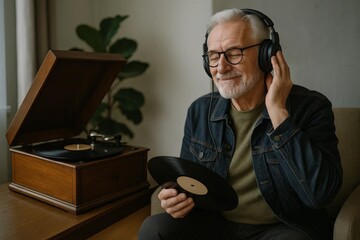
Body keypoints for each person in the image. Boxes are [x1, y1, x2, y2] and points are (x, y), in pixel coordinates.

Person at [139, 8, 342, 240]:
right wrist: (175, 196)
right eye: (214, 56)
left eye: (234, 53)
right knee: (154, 228)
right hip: (216, 224)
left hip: (282, 227)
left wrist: (278, 112)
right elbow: (188, 179)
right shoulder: (200, 111)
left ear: (268, 55)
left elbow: (319, 194)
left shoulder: (312, 108)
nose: (221, 67)